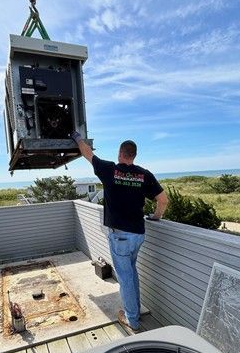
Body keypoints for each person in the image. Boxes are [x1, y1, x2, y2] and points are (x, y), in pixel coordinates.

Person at [70, 131, 168, 331]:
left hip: (120, 236)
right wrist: (156, 217)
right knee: (131, 273)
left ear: (120, 153)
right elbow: (163, 200)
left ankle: (132, 319)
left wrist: (78, 138)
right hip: (138, 234)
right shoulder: (144, 174)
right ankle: (135, 310)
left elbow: (87, 153)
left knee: (125, 278)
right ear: (133, 155)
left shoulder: (109, 170)